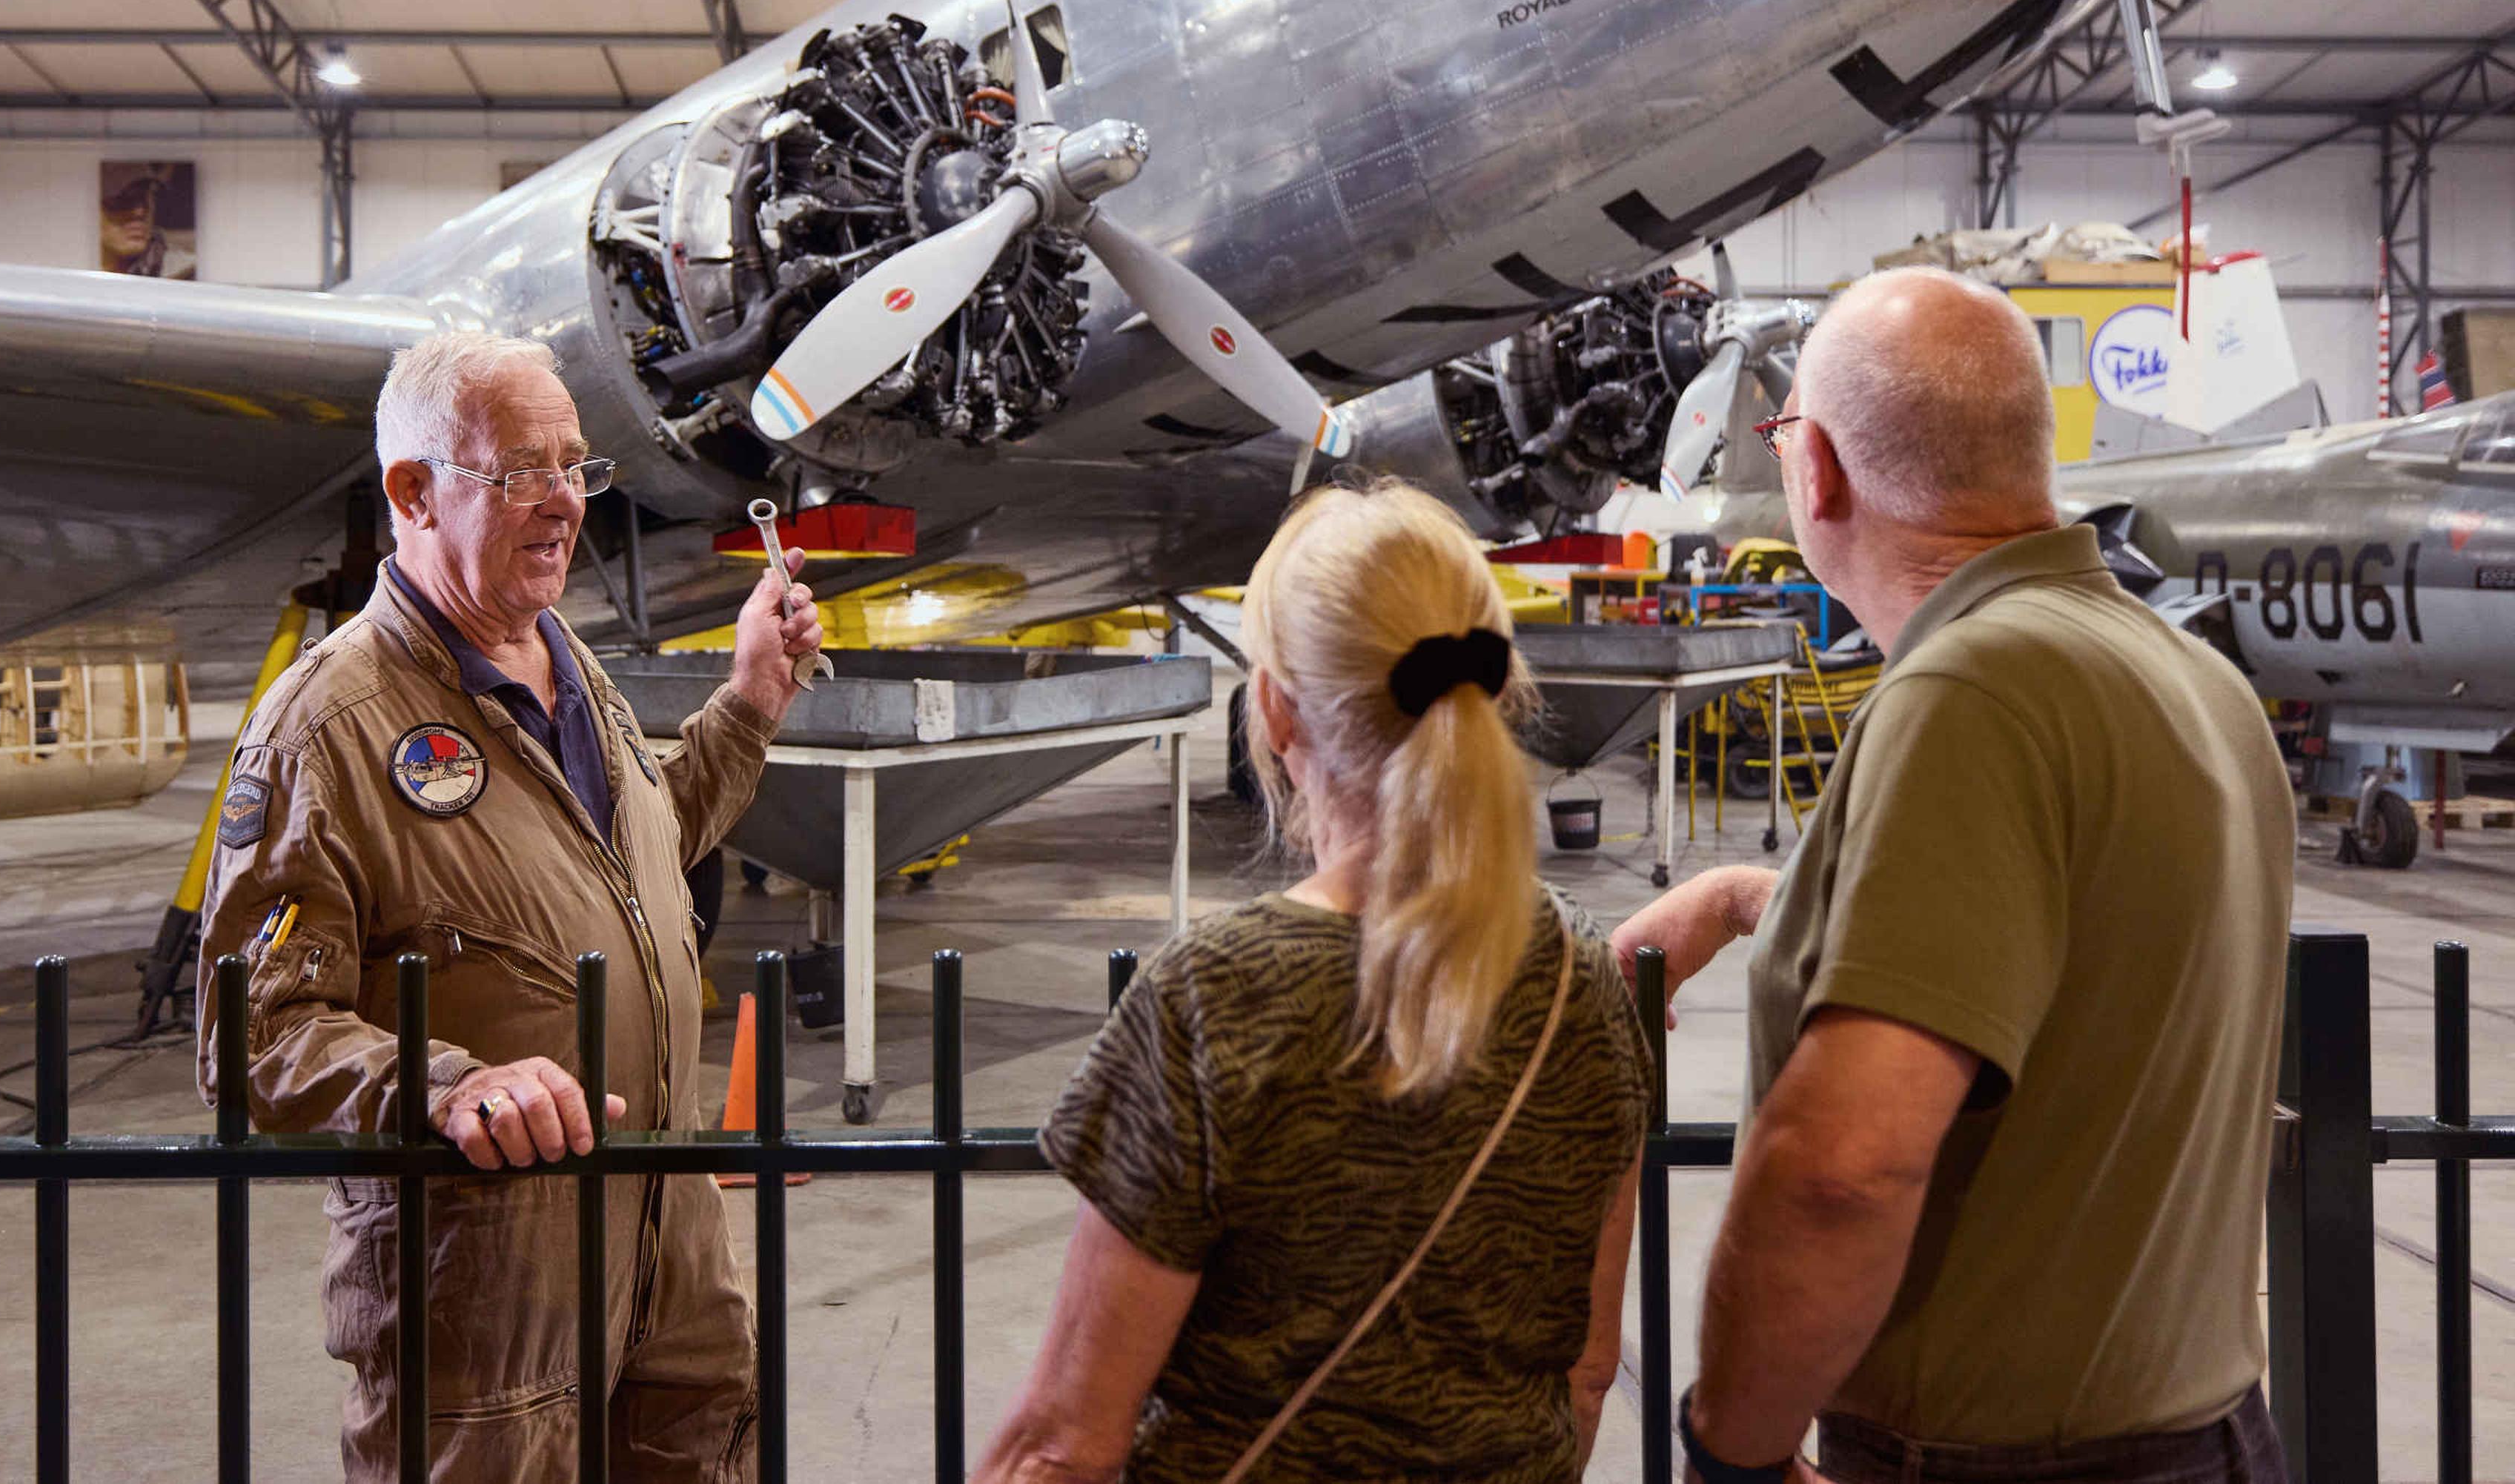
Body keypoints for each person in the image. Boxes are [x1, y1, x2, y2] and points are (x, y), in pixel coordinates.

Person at [1646, 268, 2292, 1483]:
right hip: (2211, 1436)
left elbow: (1844, 1167)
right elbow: (2076, 963)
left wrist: (1733, 1448)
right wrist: (1755, 900)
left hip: (2010, 1461)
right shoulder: (2189, 678)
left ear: (1818, 469)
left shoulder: (1969, 692)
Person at [195, 330, 822, 1483]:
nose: (562, 504)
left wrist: (747, 705)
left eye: (575, 468)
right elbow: (253, 1036)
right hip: (488, 1293)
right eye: (519, 470)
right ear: (415, 493)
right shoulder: (326, 728)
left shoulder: (566, 664)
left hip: (668, 1257)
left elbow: (635, 853)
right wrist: (448, 1084)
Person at [975, 480, 1651, 1484]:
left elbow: (1067, 1444)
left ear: (1277, 708)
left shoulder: (1215, 997)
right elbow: (1588, 1371)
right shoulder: (1585, 990)